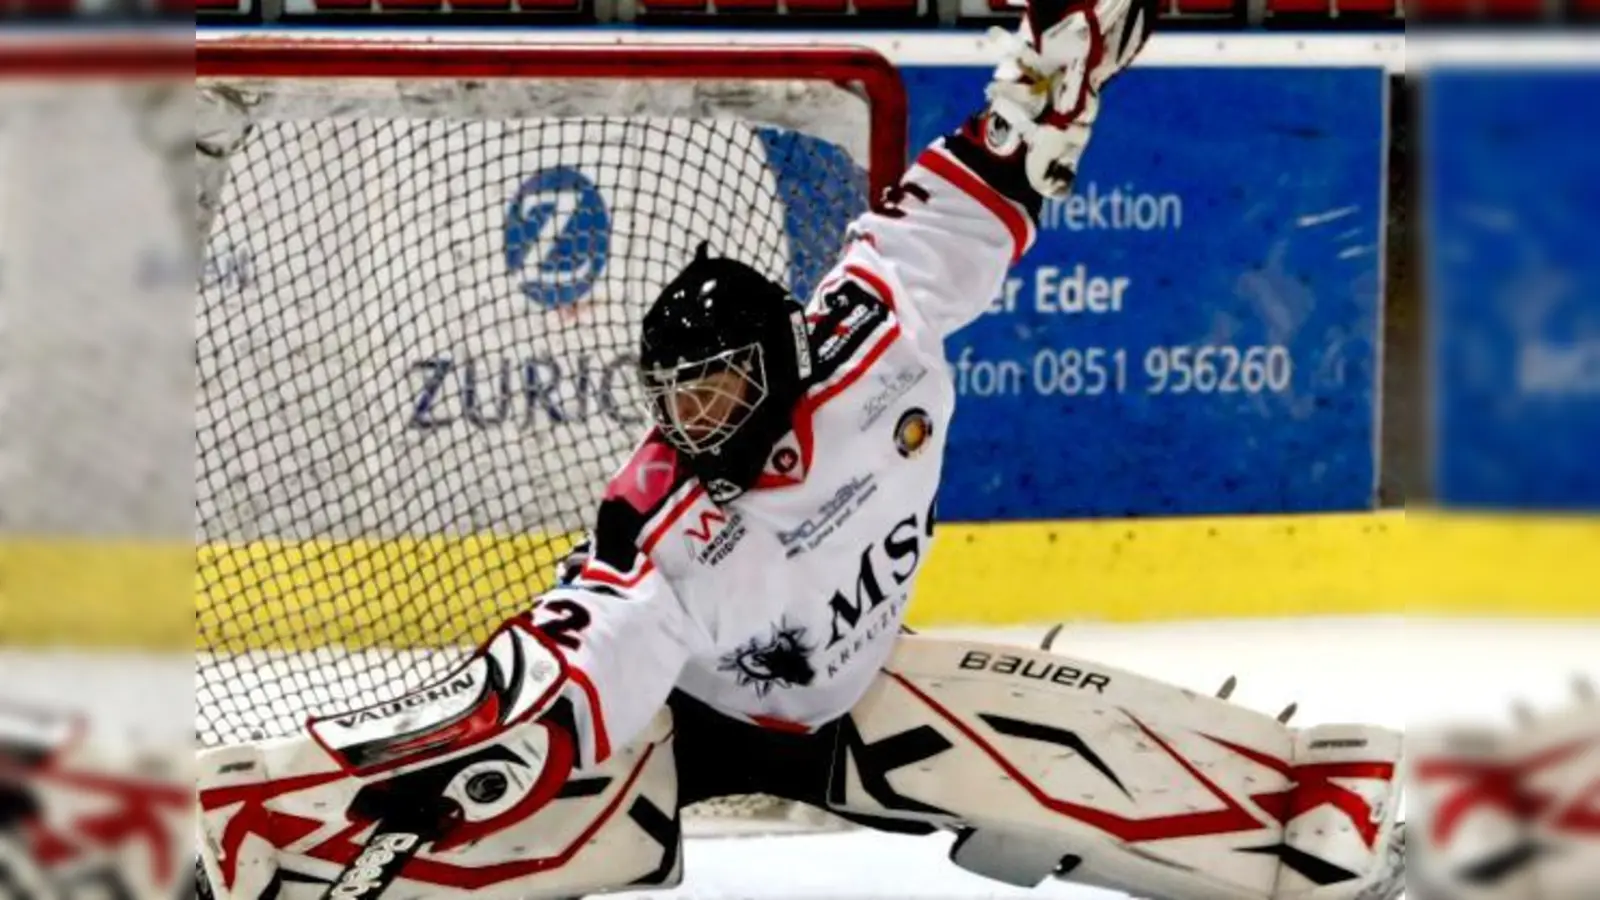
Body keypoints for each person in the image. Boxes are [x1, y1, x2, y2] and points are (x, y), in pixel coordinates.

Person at [194, 1, 1408, 897]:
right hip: (679, 719)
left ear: (778, 362)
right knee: (542, 824)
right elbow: (550, 680)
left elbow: (984, 185)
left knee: (1057, 750)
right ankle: (253, 830)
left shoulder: (870, 329)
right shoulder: (665, 530)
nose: (692, 421)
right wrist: (425, 770)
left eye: (717, 390)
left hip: (853, 692)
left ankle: (1318, 803)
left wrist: (1056, 80)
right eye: (673, 398)